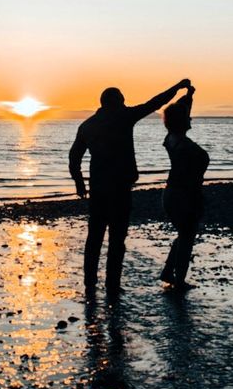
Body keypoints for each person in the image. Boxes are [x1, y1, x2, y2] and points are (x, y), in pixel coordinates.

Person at [69, 78, 191, 293]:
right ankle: (112, 285)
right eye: (123, 102)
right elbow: (155, 102)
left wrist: (79, 182)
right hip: (119, 188)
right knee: (117, 238)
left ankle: (90, 283)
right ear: (118, 102)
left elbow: (74, 156)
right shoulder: (124, 116)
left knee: (94, 237)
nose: (125, 105)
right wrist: (178, 87)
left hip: (98, 189)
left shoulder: (87, 125)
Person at [159, 84, 208, 291]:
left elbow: (181, 109)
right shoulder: (181, 144)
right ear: (181, 121)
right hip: (182, 195)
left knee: (184, 233)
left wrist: (188, 95)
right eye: (187, 117)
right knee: (187, 236)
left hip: (177, 193)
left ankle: (170, 272)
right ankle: (178, 280)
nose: (191, 118)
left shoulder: (171, 138)